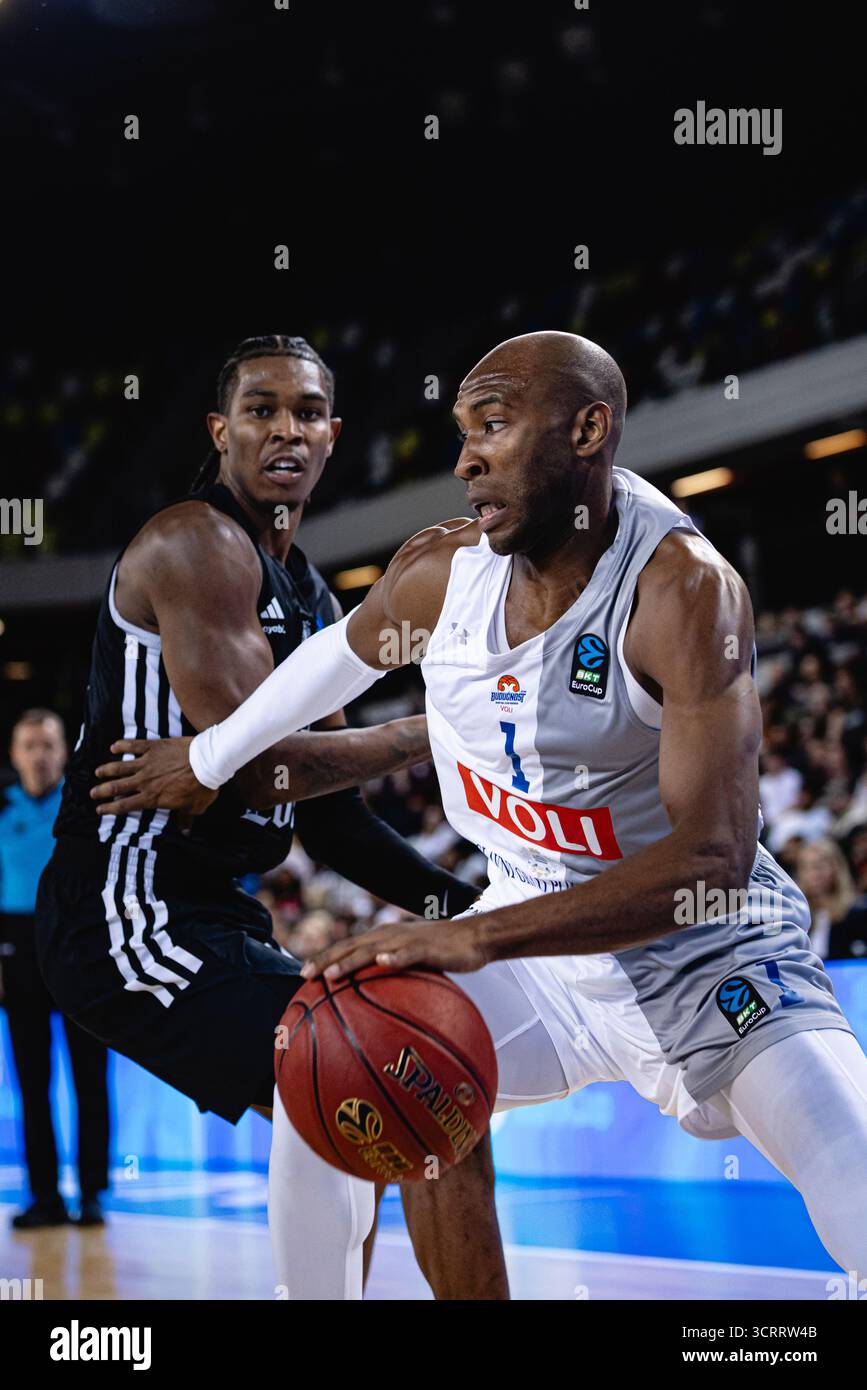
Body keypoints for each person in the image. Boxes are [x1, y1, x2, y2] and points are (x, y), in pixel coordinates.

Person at [100, 330, 867, 1290]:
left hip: (709, 959)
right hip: (545, 966)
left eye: (494, 426)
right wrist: (207, 758)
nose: (465, 458)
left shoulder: (682, 592)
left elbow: (710, 862)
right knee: (331, 1056)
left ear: (588, 430)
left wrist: (479, 936)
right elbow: (334, 656)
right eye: (462, 431)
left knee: (858, 1192)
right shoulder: (443, 571)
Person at [34, 335, 496, 1299]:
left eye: (307, 410)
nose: (286, 427)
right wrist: (439, 727)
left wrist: (473, 915)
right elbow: (262, 776)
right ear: (221, 431)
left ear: (333, 434)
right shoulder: (194, 544)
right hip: (124, 910)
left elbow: (328, 822)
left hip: (213, 910)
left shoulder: (309, 590)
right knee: (350, 1070)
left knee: (388, 1098)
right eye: (261, 409)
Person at [0, 709, 109, 1228]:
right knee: (32, 1082)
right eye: (29, 745)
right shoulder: (2, 809)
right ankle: (44, 1195)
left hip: (81, 949)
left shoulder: (87, 806)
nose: (39, 755)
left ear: (64, 752)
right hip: (17, 953)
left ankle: (92, 1193)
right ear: (14, 754)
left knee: (90, 1078)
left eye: (48, 745)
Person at [796, 837, 867, 959]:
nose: (814, 874)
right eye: (806, 867)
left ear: (836, 869)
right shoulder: (796, 917)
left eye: (819, 866)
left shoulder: (857, 914)